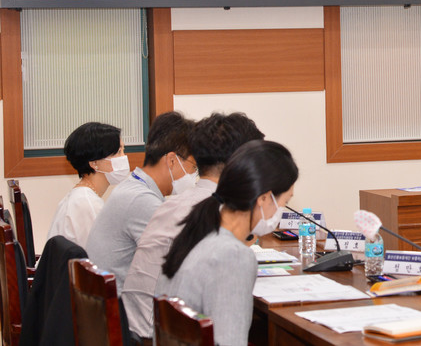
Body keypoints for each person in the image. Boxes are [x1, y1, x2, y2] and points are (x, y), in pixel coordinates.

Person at [123, 112, 264, 341]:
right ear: (242, 165)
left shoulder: (174, 203)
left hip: (140, 325)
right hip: (159, 333)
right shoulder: (215, 209)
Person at [157, 139, 297, 346]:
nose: (281, 210)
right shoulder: (233, 255)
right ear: (264, 198)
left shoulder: (198, 228)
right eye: (285, 201)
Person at [86, 111, 196, 294]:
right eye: (193, 167)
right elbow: (177, 264)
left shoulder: (133, 186)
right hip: (122, 306)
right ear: (171, 160)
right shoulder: (142, 200)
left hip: (107, 300)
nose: (193, 175)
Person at [47, 122, 129, 248]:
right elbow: (103, 254)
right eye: (118, 152)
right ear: (94, 163)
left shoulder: (82, 196)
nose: (124, 157)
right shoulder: (87, 204)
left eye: (123, 150)